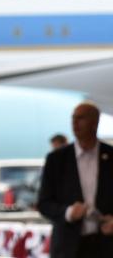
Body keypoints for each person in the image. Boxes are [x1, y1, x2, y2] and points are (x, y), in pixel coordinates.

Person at [37, 102, 113, 258]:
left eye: (81, 118)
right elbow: (44, 203)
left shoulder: (110, 156)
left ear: (95, 122)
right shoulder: (56, 159)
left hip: (106, 245)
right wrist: (68, 212)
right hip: (68, 247)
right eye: (73, 118)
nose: (74, 123)